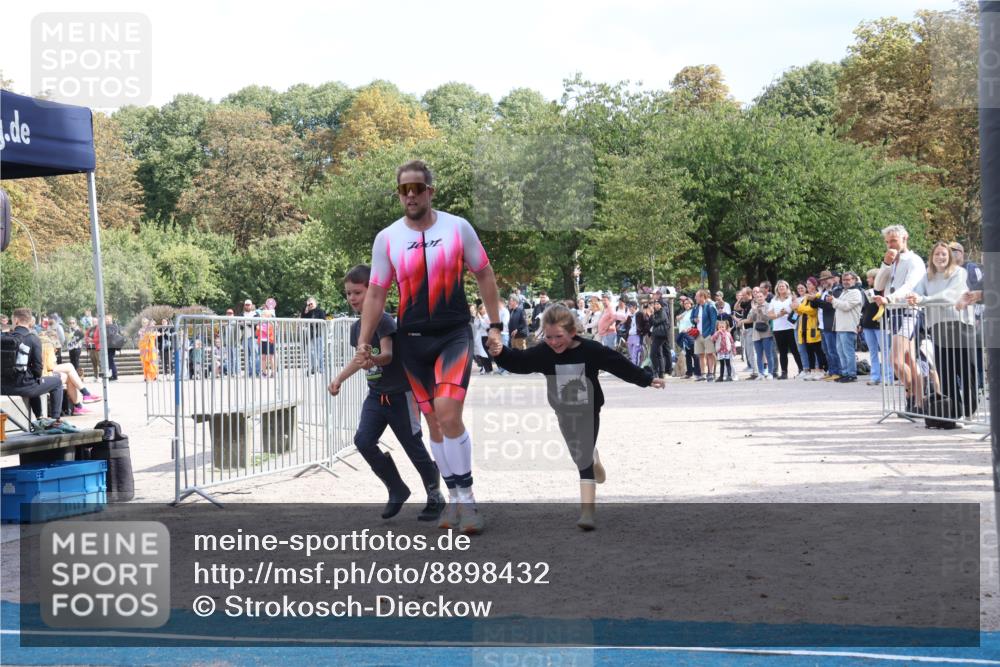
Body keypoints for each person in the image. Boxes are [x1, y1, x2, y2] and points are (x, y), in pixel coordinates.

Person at [356, 160, 503, 535]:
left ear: (430, 192)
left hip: (453, 334)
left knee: (448, 413)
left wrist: (495, 325)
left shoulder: (457, 227)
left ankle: (468, 500)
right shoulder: (387, 238)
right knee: (434, 424)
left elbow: (484, 272)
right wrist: (363, 341)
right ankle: (453, 497)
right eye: (403, 189)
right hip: (413, 341)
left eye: (417, 188)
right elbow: (376, 292)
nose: (410, 195)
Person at [489, 304, 665, 530]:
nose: (554, 342)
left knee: (582, 458)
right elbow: (519, 361)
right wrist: (500, 353)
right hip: (564, 412)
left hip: (589, 410)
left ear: (572, 332)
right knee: (579, 453)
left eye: (559, 336)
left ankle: (587, 512)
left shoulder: (590, 350)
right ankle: (594, 456)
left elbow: (618, 364)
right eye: (549, 337)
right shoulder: (543, 353)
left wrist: (646, 379)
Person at [330, 265, 445, 521]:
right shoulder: (356, 328)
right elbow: (359, 360)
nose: (352, 298)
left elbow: (387, 355)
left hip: (401, 395)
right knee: (363, 441)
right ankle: (396, 488)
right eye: (348, 293)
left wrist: (372, 360)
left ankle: (434, 494)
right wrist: (339, 378)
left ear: (372, 291)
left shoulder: (384, 320)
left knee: (413, 446)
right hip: (376, 396)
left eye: (357, 292)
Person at [908, 242, 977, 421]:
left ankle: (970, 411)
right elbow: (916, 292)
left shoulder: (959, 273)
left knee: (966, 369)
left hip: (960, 324)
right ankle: (953, 413)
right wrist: (912, 297)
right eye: (937, 254)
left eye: (944, 254)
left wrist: (923, 299)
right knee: (945, 372)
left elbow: (949, 295)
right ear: (932, 257)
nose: (940, 257)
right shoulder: (926, 276)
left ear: (950, 257)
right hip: (938, 326)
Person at [874, 225, 927, 411]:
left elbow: (909, 285)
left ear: (905, 238)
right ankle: (917, 402)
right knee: (909, 360)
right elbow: (878, 285)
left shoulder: (914, 260)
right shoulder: (893, 261)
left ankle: (913, 395)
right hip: (895, 313)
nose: (890, 245)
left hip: (908, 312)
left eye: (894, 241)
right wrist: (886, 263)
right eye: (887, 242)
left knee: (894, 360)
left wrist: (889, 299)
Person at [1, 308, 65, 424]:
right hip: (24, 387)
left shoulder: (3, 338)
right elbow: (37, 369)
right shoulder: (33, 339)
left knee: (33, 379)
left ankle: (40, 417)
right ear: (30, 321)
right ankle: (55, 420)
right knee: (57, 382)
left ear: (16, 320)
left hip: (3, 387)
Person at [829, 271, 863, 383]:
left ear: (854, 280)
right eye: (844, 280)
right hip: (840, 326)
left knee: (848, 353)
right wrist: (834, 301)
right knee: (841, 352)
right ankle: (845, 373)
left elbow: (846, 306)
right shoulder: (844, 292)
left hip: (848, 326)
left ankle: (852, 374)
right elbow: (838, 306)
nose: (846, 282)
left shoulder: (856, 292)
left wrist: (833, 300)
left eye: (848, 279)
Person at [861, 269, 892, 386]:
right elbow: (865, 309)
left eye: (869, 277)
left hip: (882, 325)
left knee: (885, 352)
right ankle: (875, 377)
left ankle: (888, 377)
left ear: (876, 278)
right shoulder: (868, 291)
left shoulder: (886, 291)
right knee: (873, 352)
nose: (867, 279)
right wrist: (861, 322)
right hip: (868, 324)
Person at [767, 280, 803, 379]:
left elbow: (797, 308)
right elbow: (769, 315)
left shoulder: (791, 298)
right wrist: (780, 314)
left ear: (787, 288)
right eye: (779, 286)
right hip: (778, 329)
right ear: (777, 289)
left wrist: (787, 311)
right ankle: (784, 372)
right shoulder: (774, 300)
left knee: (795, 350)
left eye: (783, 286)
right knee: (782, 352)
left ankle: (801, 370)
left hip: (790, 327)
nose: (781, 288)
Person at [795, 280, 826, 380]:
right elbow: (801, 312)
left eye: (809, 284)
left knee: (817, 350)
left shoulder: (817, 296)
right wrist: (796, 308)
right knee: (809, 351)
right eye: (807, 284)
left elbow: (812, 311)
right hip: (804, 327)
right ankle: (812, 371)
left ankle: (820, 370)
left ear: (815, 285)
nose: (808, 285)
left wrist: (799, 307)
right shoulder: (806, 297)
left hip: (814, 327)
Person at [748, 288, 776, 380]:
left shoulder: (768, 306)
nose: (759, 298)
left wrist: (759, 311)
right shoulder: (754, 307)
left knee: (768, 354)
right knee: (759, 355)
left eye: (761, 296)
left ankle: (770, 373)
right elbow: (751, 319)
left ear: (764, 297)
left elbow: (767, 318)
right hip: (756, 333)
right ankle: (761, 373)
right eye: (757, 297)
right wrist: (754, 310)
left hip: (767, 332)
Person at [691, 289, 718, 381]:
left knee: (710, 354)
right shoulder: (695, 307)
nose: (695, 298)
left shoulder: (710, 307)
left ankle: (710, 373)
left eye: (697, 296)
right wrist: (694, 320)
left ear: (702, 297)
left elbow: (713, 321)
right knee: (700, 354)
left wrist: (711, 333)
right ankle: (703, 374)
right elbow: (691, 318)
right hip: (698, 334)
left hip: (707, 334)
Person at [732, 288, 756, 377]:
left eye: (743, 294)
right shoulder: (745, 303)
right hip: (746, 329)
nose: (742, 296)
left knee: (752, 352)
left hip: (751, 329)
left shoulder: (752, 303)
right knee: (748, 352)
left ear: (748, 294)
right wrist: (739, 300)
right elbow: (735, 308)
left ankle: (756, 371)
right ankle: (754, 371)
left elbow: (751, 319)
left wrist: (741, 321)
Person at [301, 297, 327, 375]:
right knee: (310, 352)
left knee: (319, 352)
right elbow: (302, 319)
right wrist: (305, 311)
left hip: (318, 334)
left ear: (315, 303)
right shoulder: (307, 312)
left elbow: (323, 320)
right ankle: (313, 367)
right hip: (310, 334)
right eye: (308, 304)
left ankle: (321, 368)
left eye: (311, 304)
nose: (310, 305)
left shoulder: (320, 311)